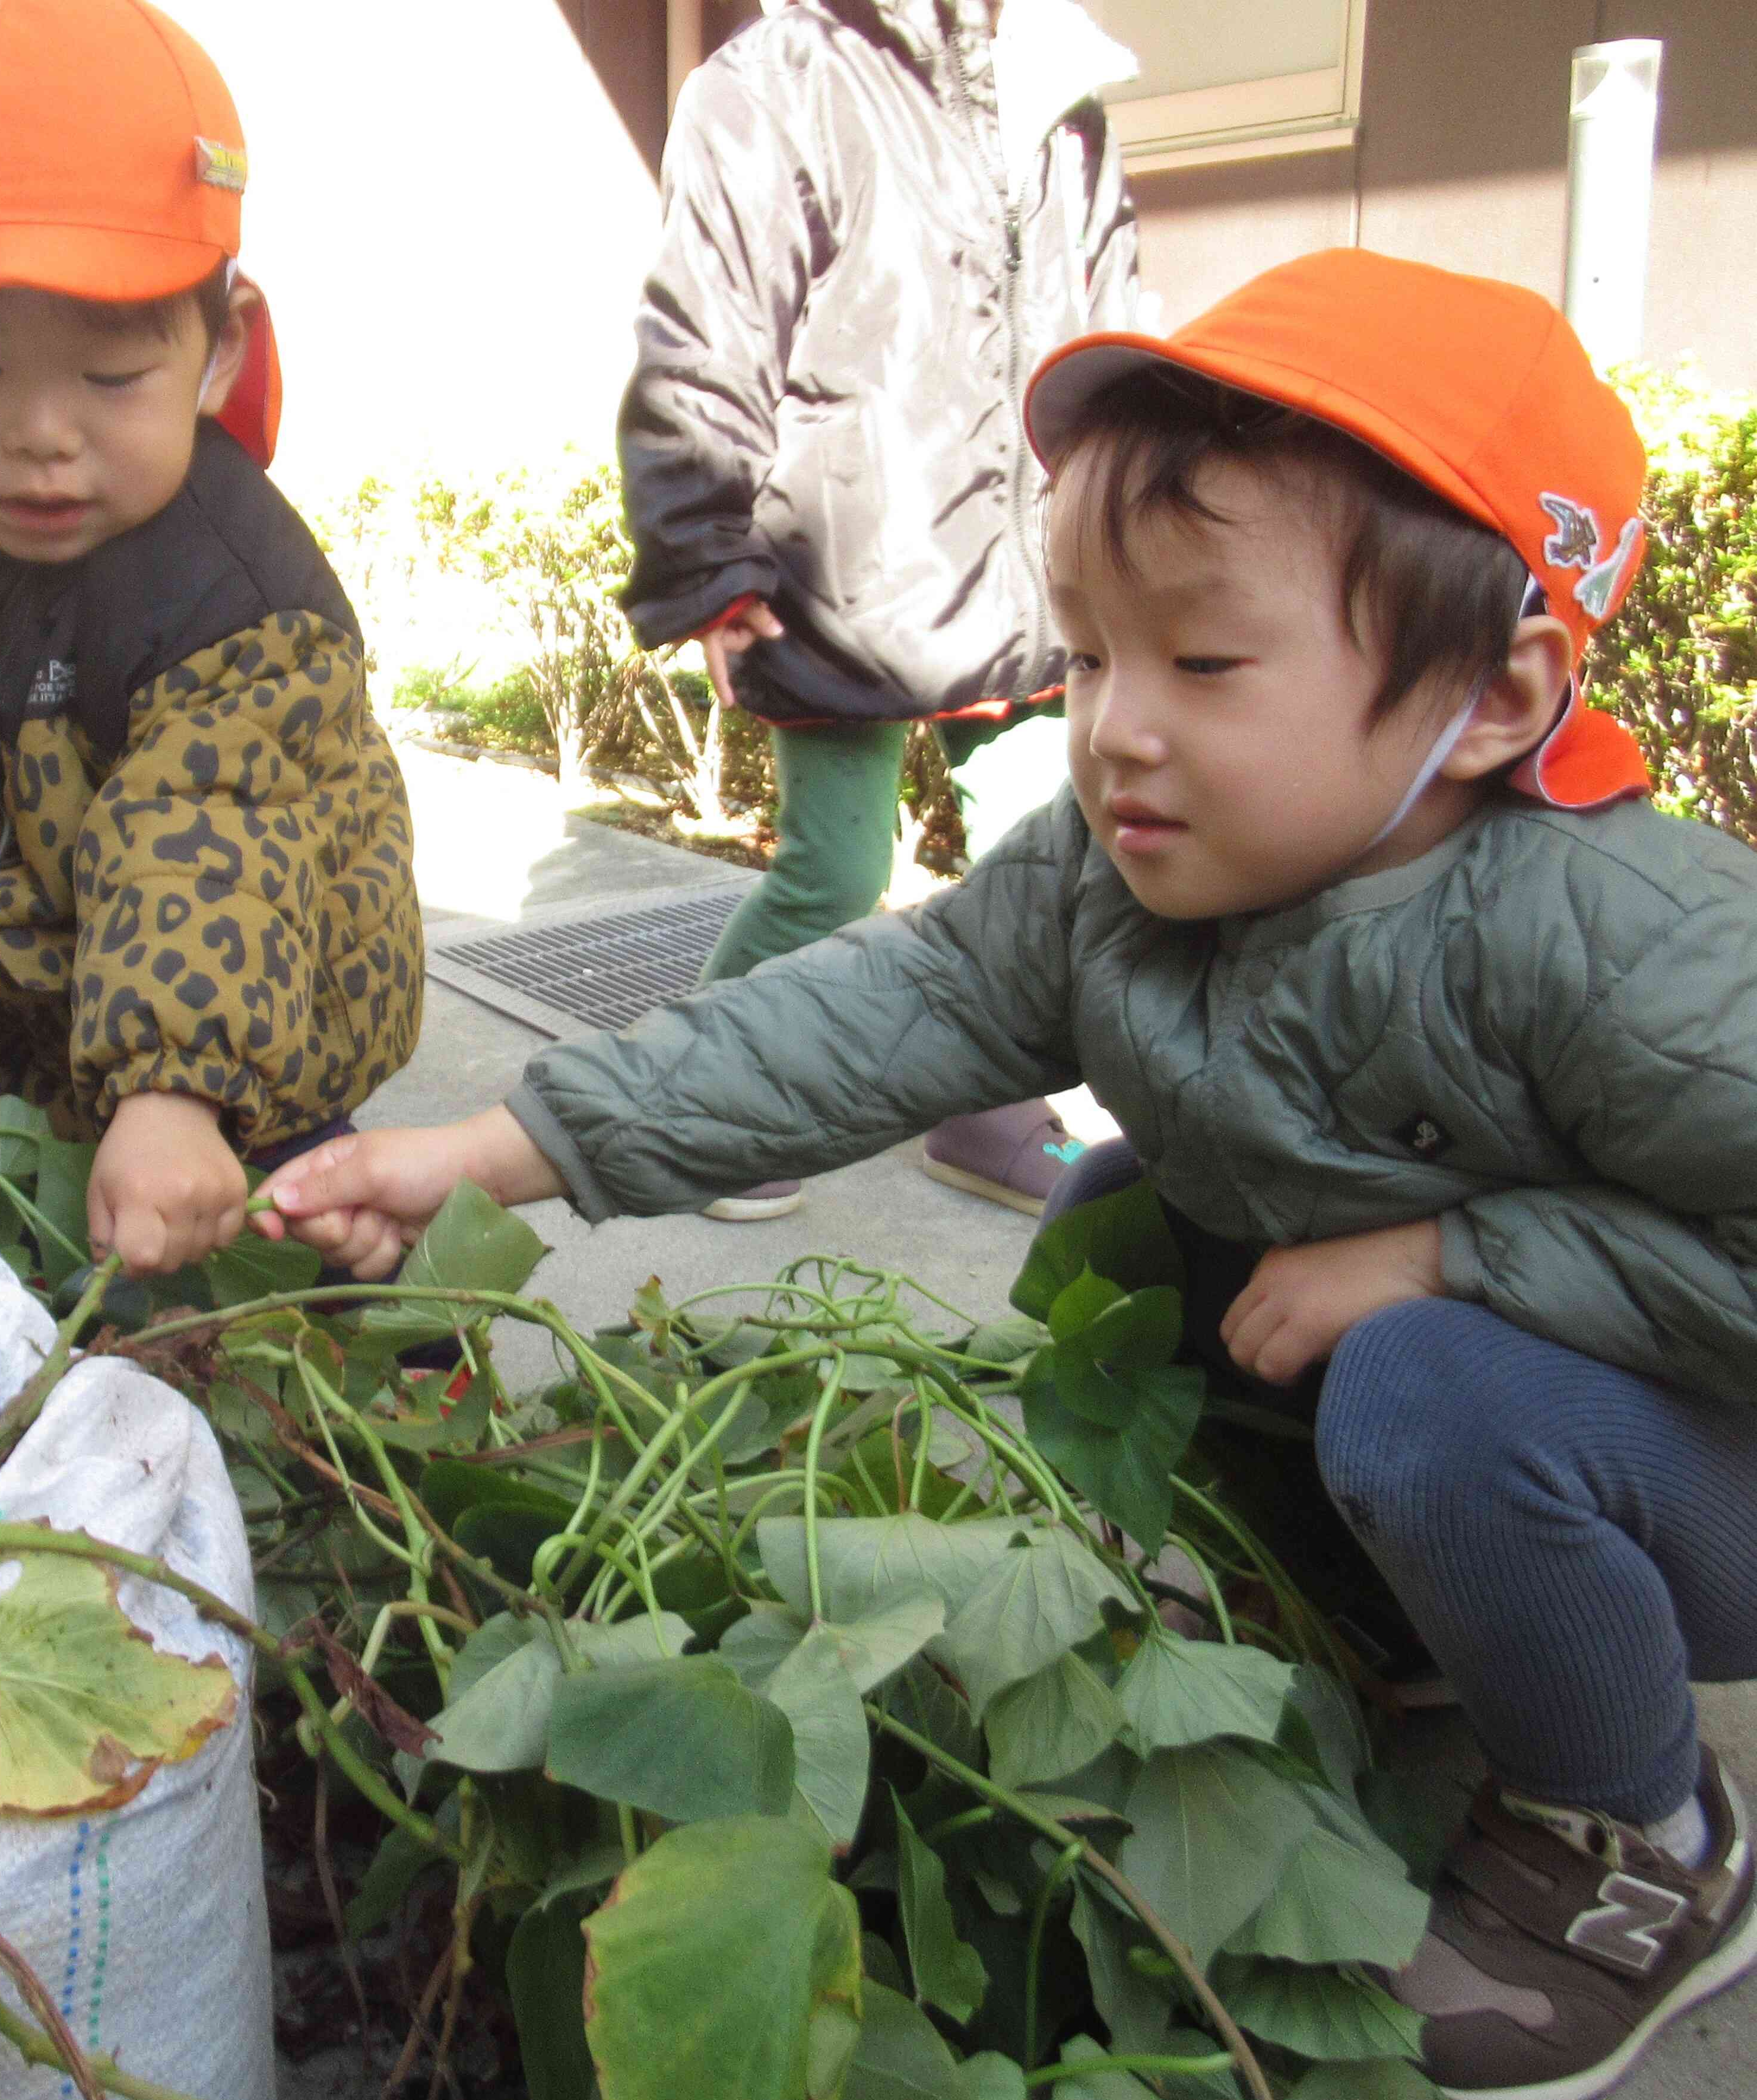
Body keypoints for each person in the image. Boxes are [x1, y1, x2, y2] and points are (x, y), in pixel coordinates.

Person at [259, 249, 1757, 2098]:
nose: (1115, 721)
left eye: (1201, 659)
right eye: (1092, 650)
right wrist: (489, 1152)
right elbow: (855, 1021)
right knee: (1118, 1220)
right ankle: (1408, 1633)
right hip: (1525, 1401)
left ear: (1491, 695)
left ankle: (1644, 1836)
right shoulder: (1109, 878)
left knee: (1421, 1386)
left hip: (1710, 1469)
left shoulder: (1620, 940)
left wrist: (1454, 1254)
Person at [0, 0, 423, 1279]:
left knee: (287, 1255)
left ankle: (401, 1367)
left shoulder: (239, 595)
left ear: (217, 349)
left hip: (245, 1034)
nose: (41, 431)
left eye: (112, 377)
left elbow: (211, 833)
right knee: (36, 1262)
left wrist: (175, 1094)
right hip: (22, 1009)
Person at [615, 0, 1143, 1221]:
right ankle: (707, 1100)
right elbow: (705, 325)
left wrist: (1133, 529)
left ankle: (987, 1105)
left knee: (1042, 867)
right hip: (844, 558)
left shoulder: (1061, 82)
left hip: (1026, 560)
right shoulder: (780, 78)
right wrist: (706, 552)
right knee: (831, 873)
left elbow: (1112, 320)